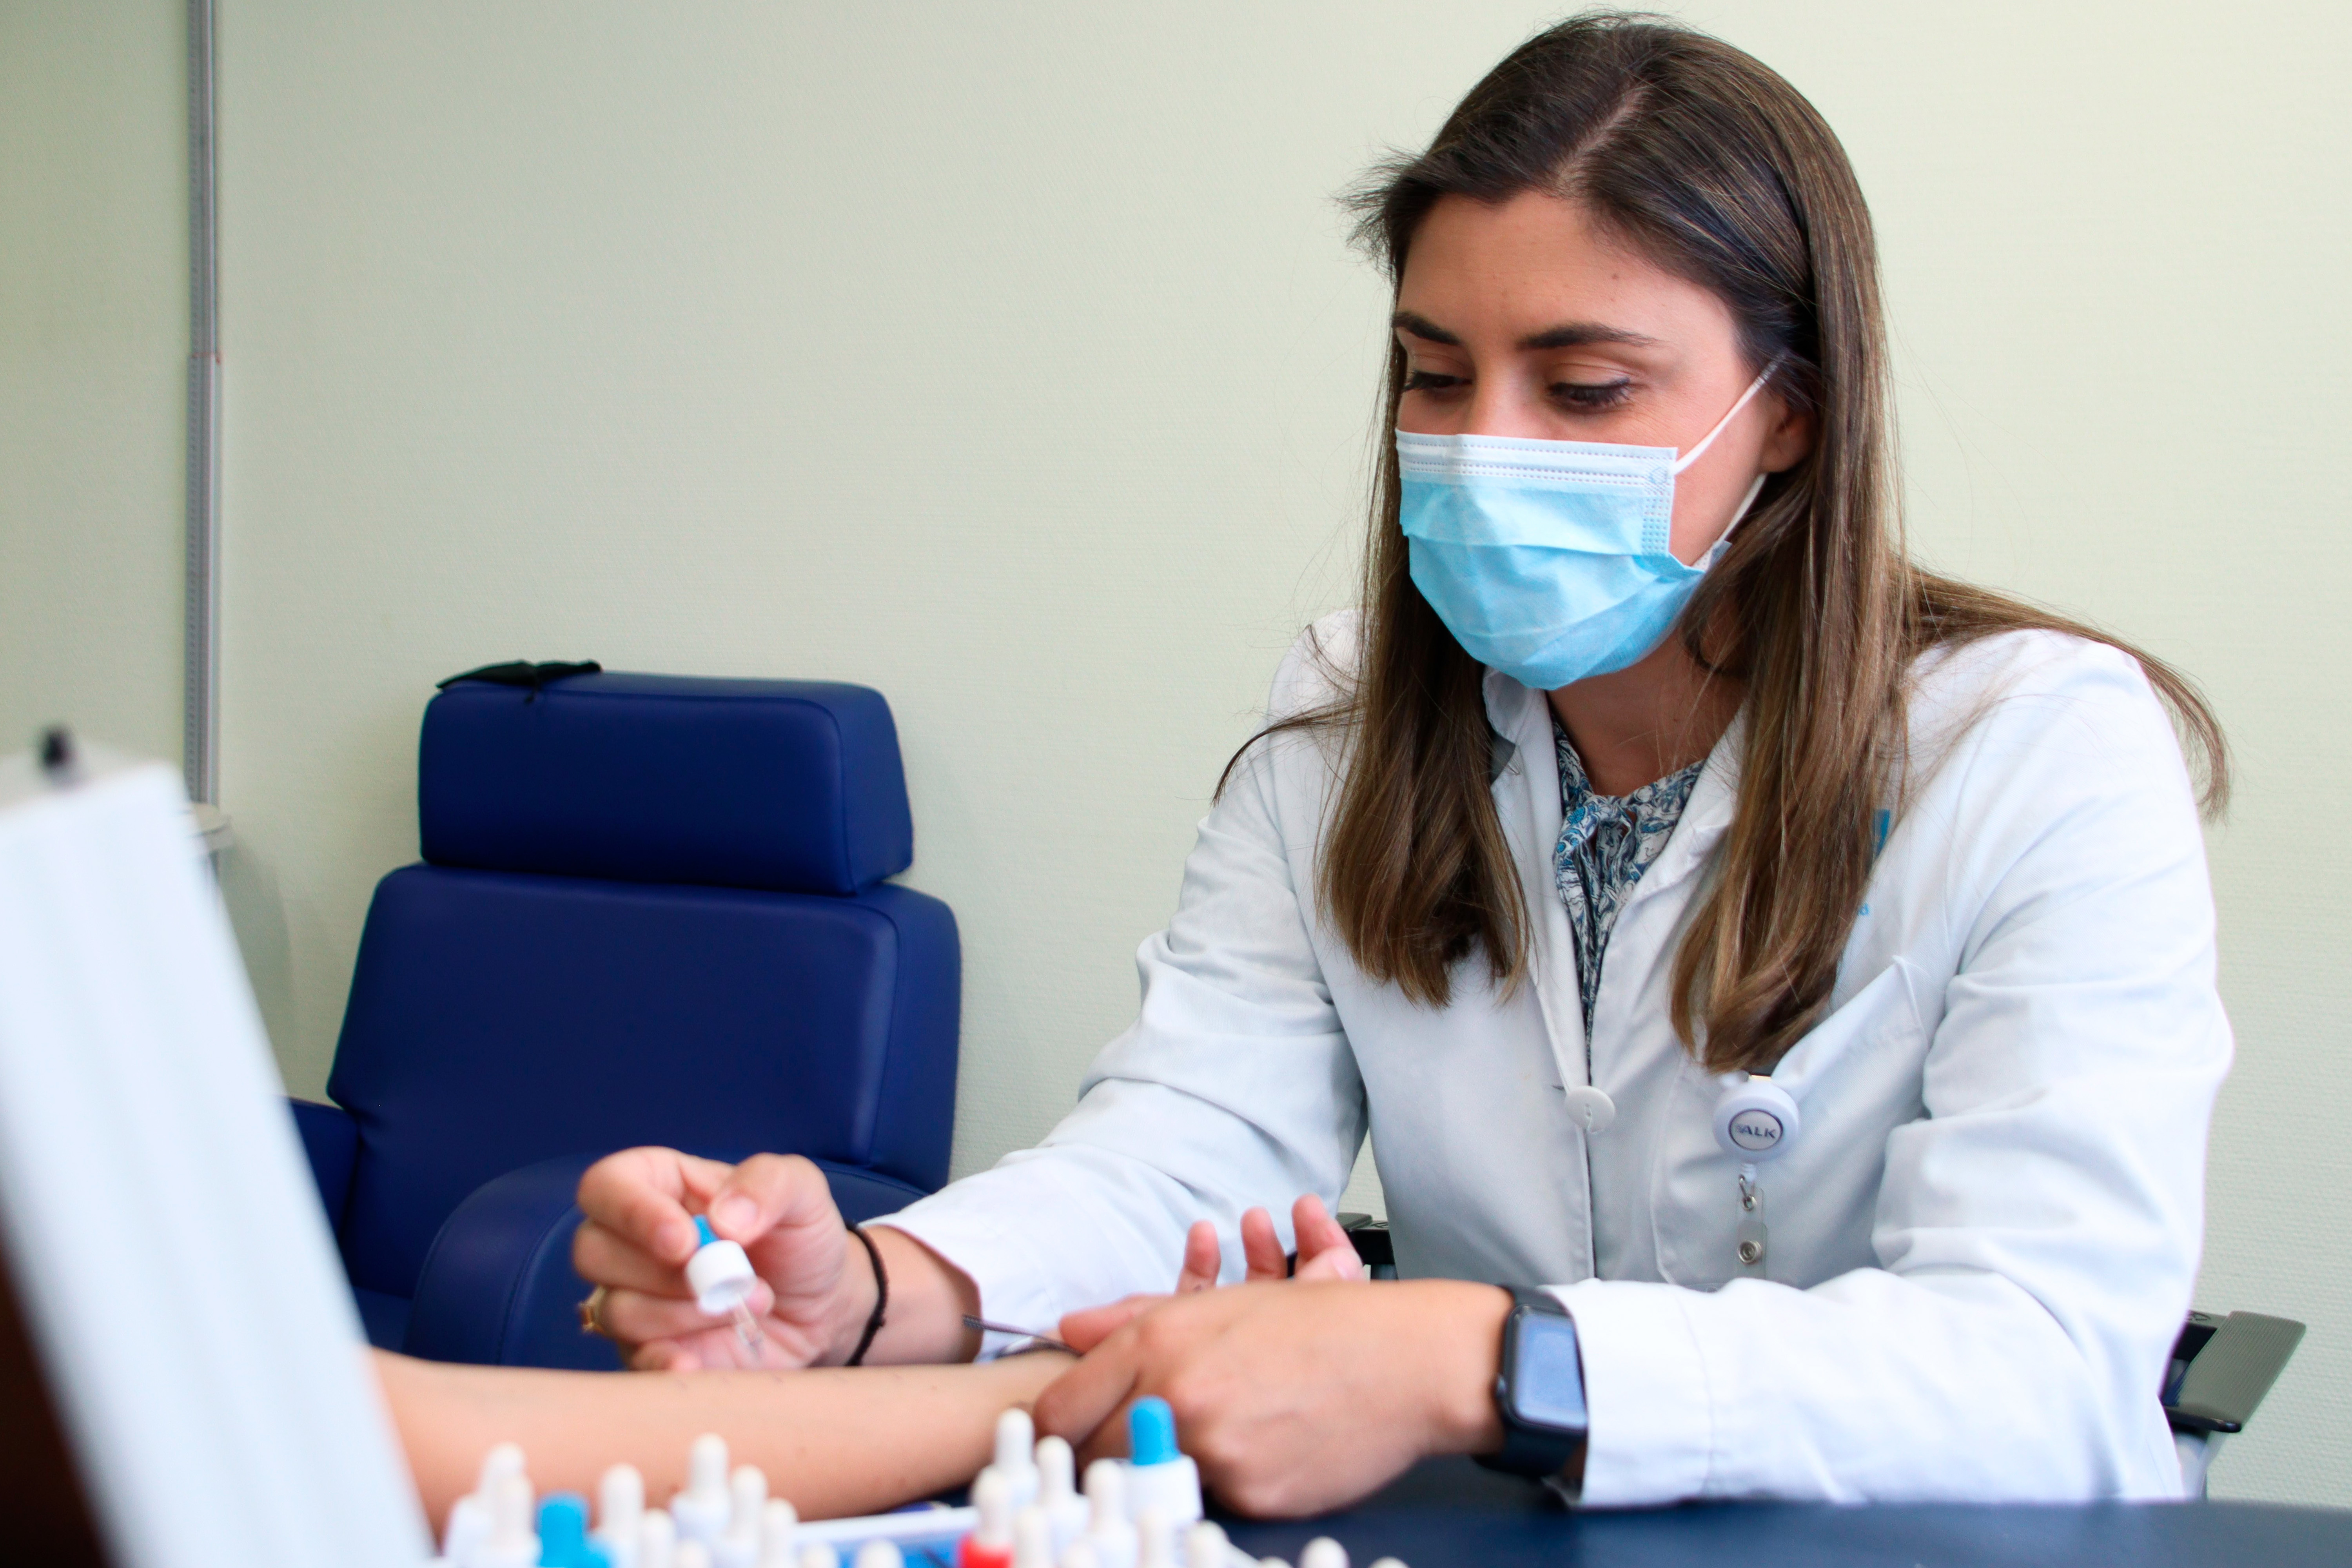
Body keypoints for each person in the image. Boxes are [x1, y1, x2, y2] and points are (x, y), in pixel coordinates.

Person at [573, 14, 2231, 1515]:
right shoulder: (1345, 734)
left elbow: (2039, 1360)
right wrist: (874, 1290)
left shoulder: (2039, 752)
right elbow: (1187, 1139)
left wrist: (1477, 1363)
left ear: (1788, 407)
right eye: (1436, 375)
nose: (1485, 446)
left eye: (1585, 389)